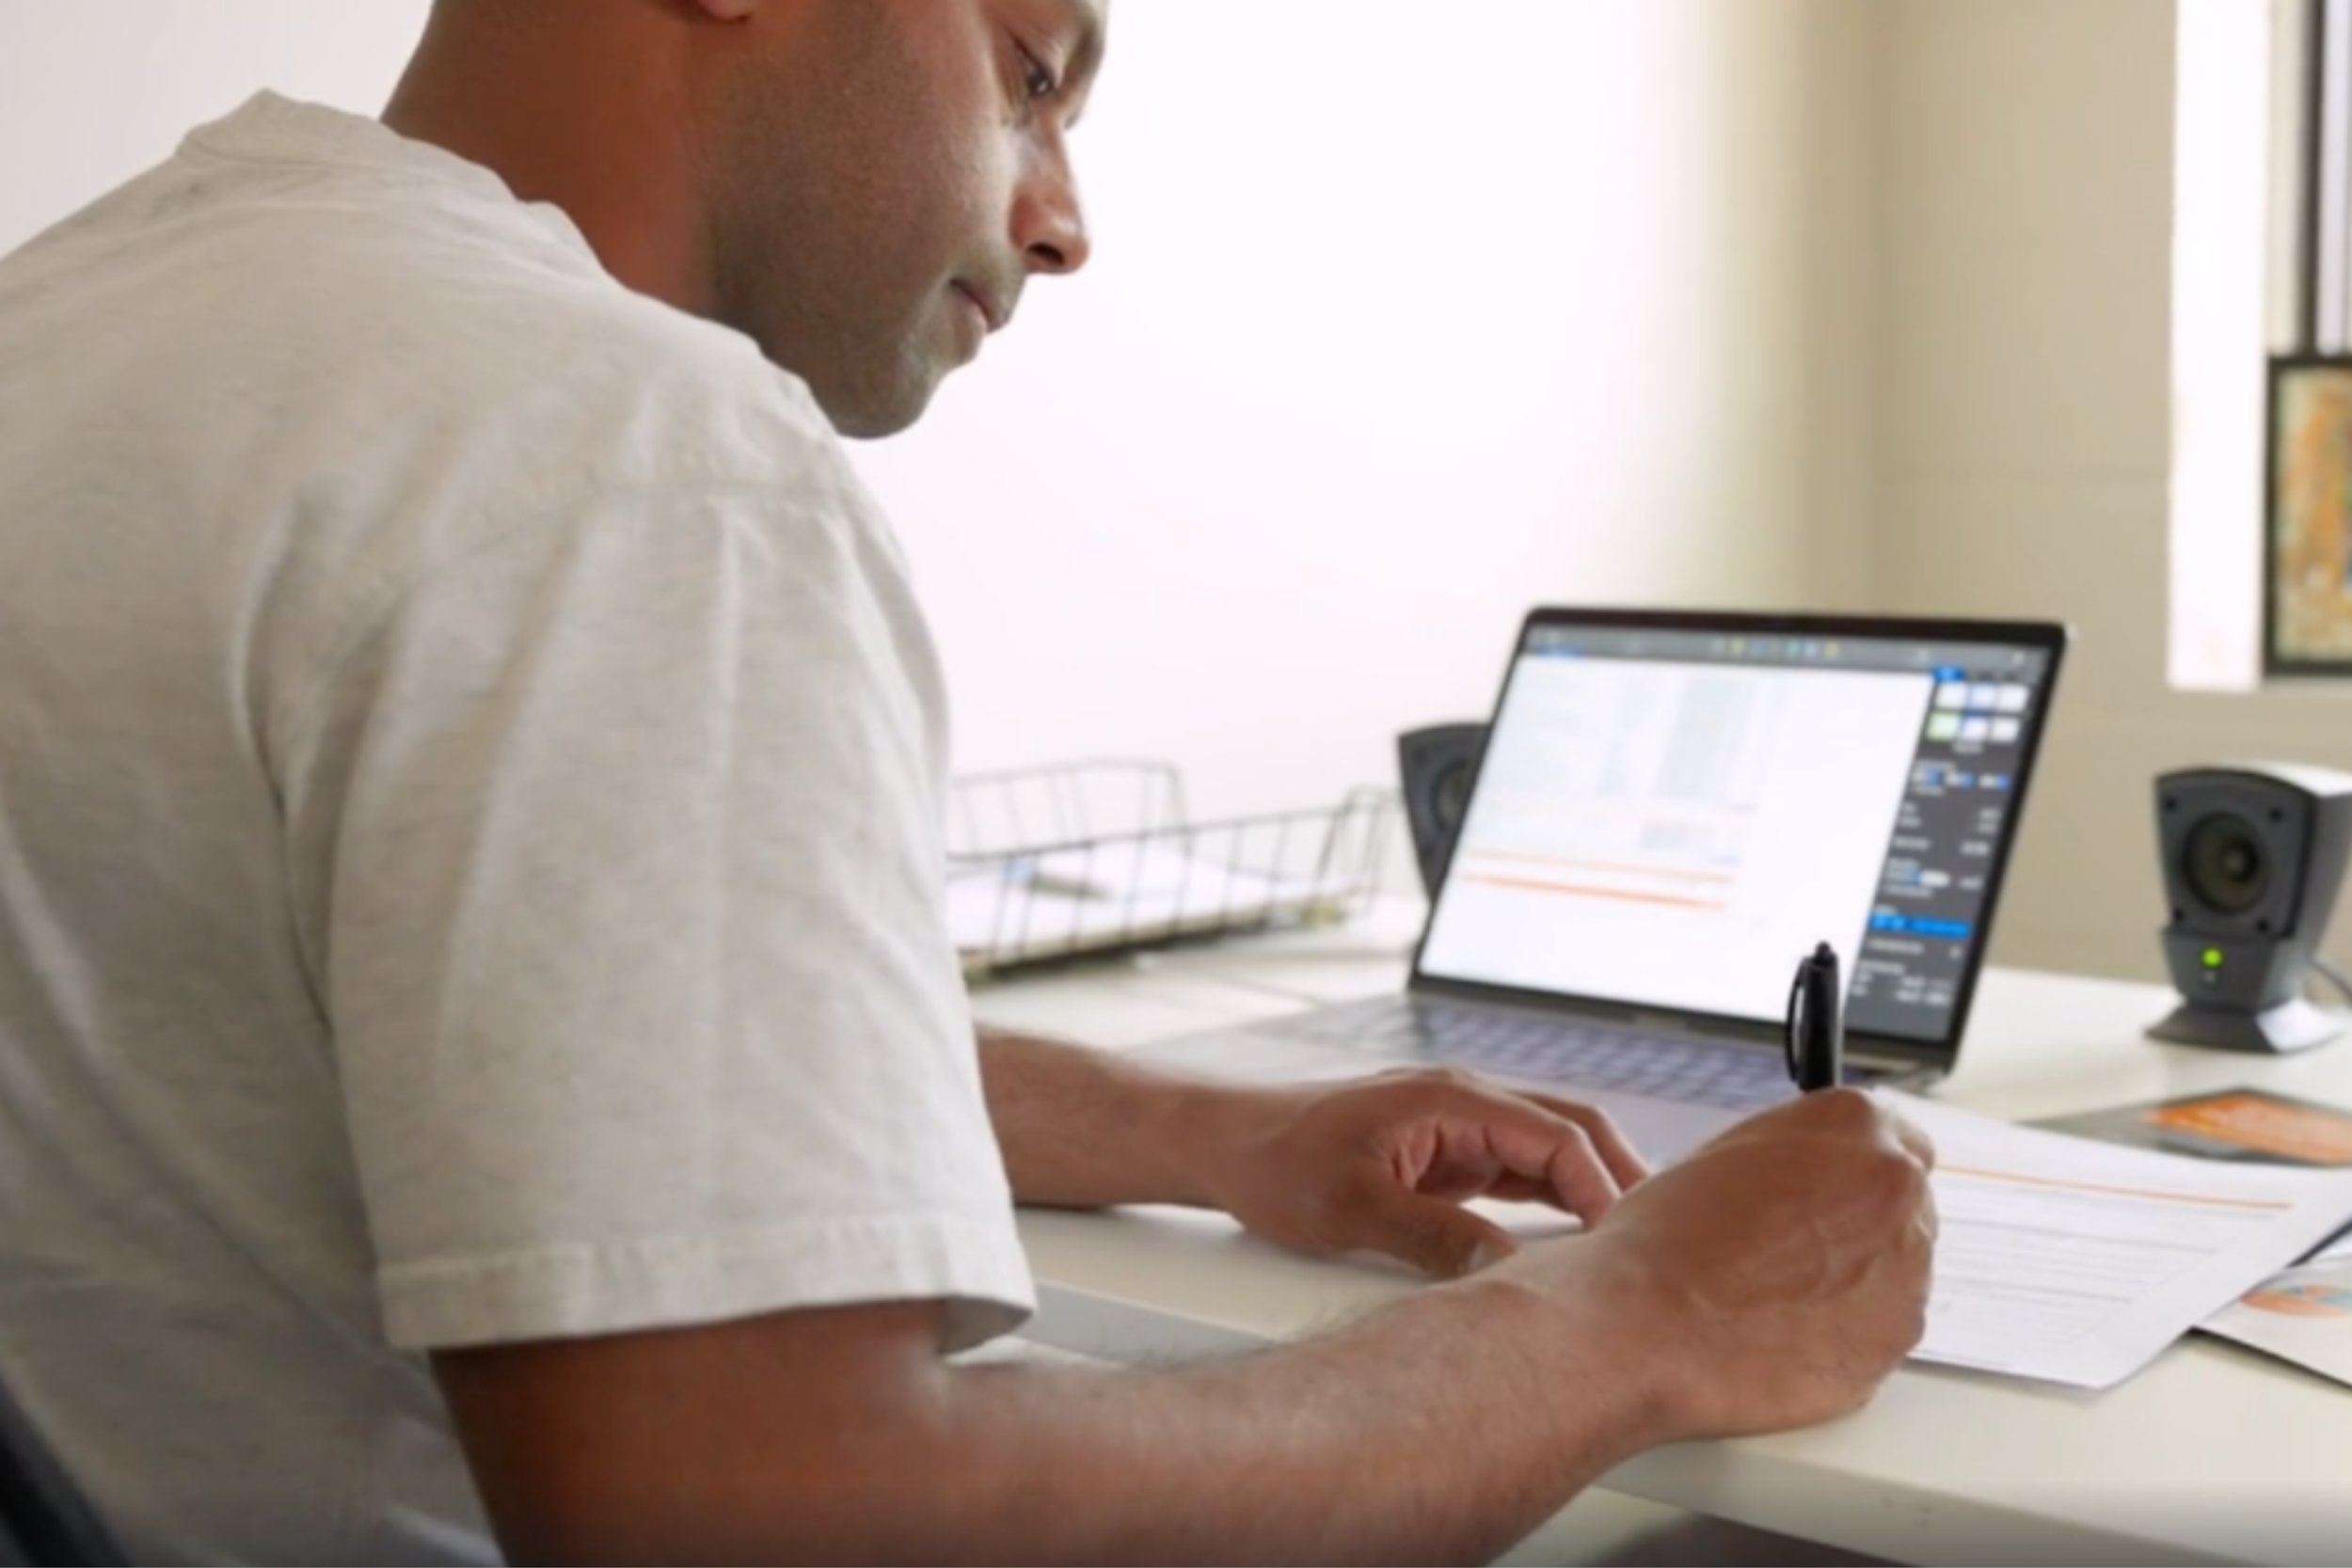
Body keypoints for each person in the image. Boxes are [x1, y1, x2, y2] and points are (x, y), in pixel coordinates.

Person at [0, 1, 1937, 1561]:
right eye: (1030, 75)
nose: (1062, 217)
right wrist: (1631, 1323)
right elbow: (769, 1517)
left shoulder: (89, 330)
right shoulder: (618, 452)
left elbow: (451, 1041)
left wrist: (1210, 1133)